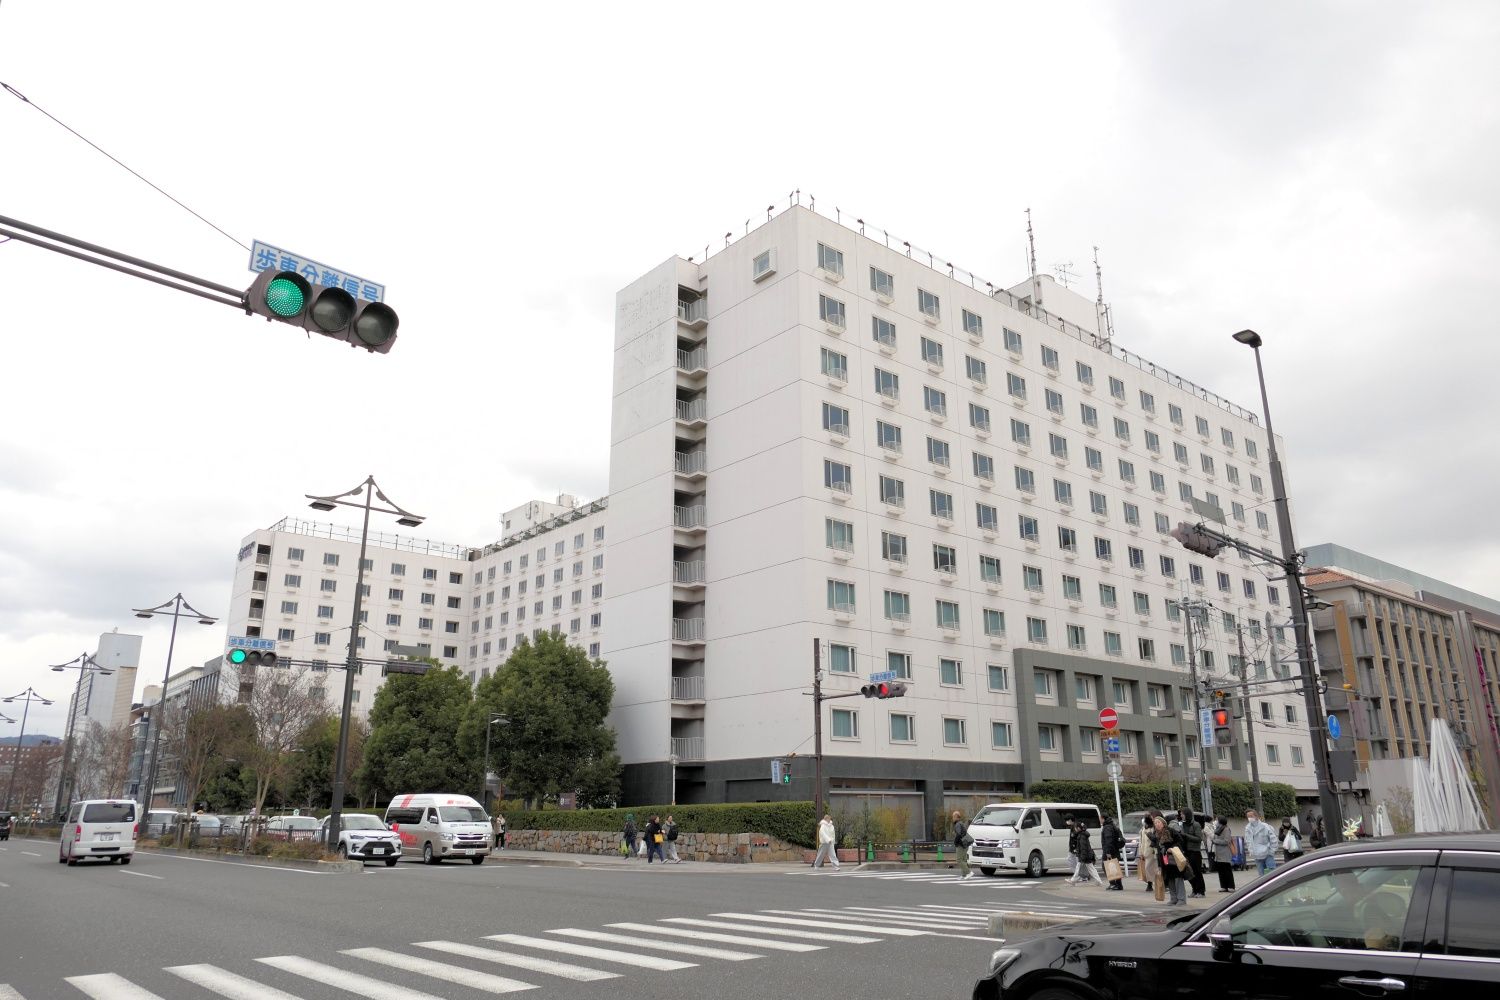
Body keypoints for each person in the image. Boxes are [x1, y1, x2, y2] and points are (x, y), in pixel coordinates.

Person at [1153, 815, 1187, 905]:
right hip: (1164, 859)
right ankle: (1173, 898)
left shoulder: (1170, 831)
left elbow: (1180, 841)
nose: (1157, 824)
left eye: (1159, 822)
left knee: (1177, 878)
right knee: (1169, 878)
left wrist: (1171, 848)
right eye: (1155, 823)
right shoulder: (1156, 834)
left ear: (1163, 823)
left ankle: (1182, 899)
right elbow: (1157, 848)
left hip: (1174, 858)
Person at [1177, 808, 1206, 898]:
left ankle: (1201, 891)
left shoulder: (1195, 825)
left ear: (1187, 814)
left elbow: (1198, 839)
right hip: (1186, 851)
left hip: (1195, 851)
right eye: (1181, 814)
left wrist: (1186, 835)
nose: (1181, 816)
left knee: (1197, 872)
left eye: (1182, 814)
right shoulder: (1181, 825)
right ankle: (1194, 889)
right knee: (1189, 872)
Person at [1068, 820, 1106, 886]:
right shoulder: (1082, 835)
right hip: (1086, 855)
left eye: (1076, 827)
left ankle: (1073, 880)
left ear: (1079, 828)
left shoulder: (1082, 836)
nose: (1075, 829)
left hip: (1085, 856)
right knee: (1089, 869)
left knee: (1082, 868)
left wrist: (1082, 857)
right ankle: (1098, 881)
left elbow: (1083, 848)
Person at [1244, 810, 1278, 876]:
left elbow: (1273, 839)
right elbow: (1248, 841)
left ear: (1256, 816)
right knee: (1261, 875)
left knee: (1271, 874)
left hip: (1267, 854)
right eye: (1248, 816)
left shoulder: (1265, 826)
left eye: (1251, 816)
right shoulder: (1248, 828)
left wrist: (1271, 851)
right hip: (1257, 855)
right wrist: (1251, 851)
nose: (1249, 818)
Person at [1210, 816, 1236, 893]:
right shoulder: (1217, 829)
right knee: (1221, 871)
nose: (1215, 821)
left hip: (1225, 853)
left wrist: (1215, 841)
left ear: (1220, 821)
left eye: (1217, 820)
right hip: (1218, 853)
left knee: (1227, 870)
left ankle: (1231, 886)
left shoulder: (1226, 829)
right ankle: (1223, 886)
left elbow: (1226, 841)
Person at [1100, 816, 1126, 890]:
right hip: (1115, 850)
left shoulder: (1107, 827)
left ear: (1103, 818)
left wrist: (1108, 852)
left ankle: (1113, 884)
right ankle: (1118, 885)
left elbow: (1108, 841)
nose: (1100, 820)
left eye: (1100, 819)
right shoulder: (1112, 825)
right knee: (1115, 868)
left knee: (1106, 867)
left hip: (1110, 851)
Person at [1137, 816, 1159, 893]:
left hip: (1152, 851)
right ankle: (1150, 883)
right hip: (1145, 852)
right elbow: (1141, 842)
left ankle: (1151, 884)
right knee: (1148, 869)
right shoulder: (1143, 829)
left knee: (1151, 868)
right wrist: (1141, 853)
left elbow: (1155, 840)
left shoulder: (1153, 829)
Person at [952, 809, 974, 880]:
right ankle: (964, 875)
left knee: (959, 860)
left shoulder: (958, 824)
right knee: (963, 860)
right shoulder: (961, 823)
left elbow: (958, 834)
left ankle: (969, 872)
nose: (952, 818)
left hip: (961, 844)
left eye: (953, 816)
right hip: (965, 844)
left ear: (956, 817)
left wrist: (955, 842)